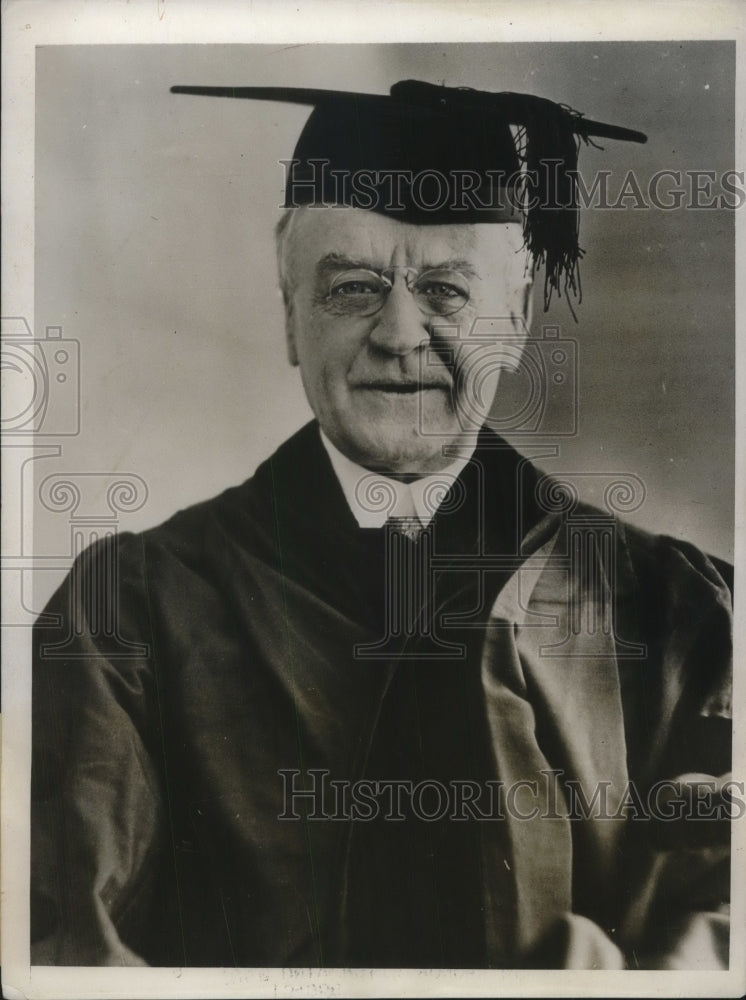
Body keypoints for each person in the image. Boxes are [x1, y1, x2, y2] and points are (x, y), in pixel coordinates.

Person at [31, 80, 733, 970]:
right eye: (352, 289)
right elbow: (64, 952)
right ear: (290, 312)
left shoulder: (679, 614)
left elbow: (721, 920)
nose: (401, 334)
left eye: (444, 290)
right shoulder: (128, 617)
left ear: (514, 318)